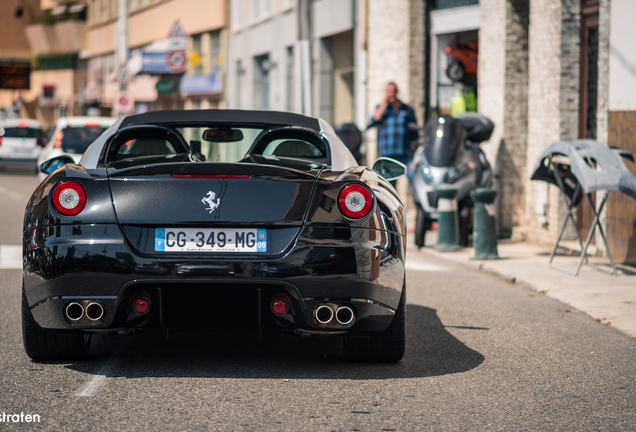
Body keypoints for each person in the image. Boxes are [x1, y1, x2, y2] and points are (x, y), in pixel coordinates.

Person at [368, 82, 418, 186]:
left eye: (393, 91)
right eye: (388, 91)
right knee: (389, 184)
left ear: (397, 92)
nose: (391, 94)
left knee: (413, 178)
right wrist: (384, 105)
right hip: (388, 153)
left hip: (404, 152)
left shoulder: (406, 109)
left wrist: (415, 146)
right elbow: (374, 120)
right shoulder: (382, 109)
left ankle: (416, 201)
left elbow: (414, 130)